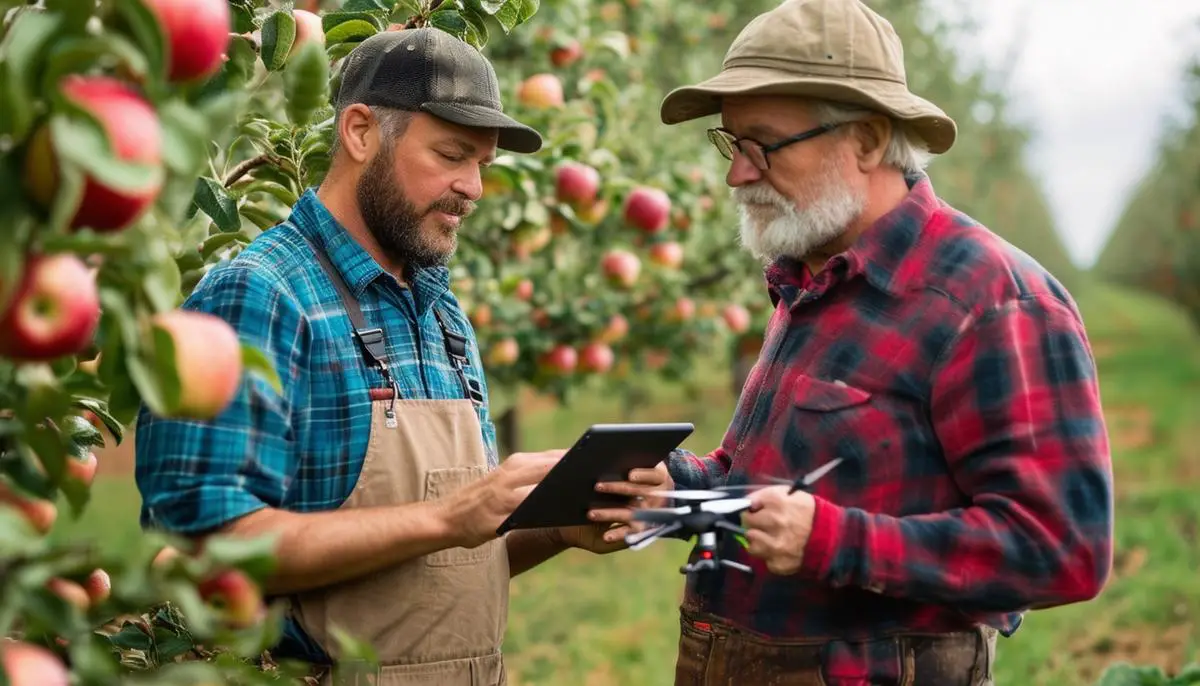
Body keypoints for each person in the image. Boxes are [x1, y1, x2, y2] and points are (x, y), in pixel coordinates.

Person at [133, 28, 662, 685]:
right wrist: (448, 515)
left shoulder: (441, 314)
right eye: (451, 155)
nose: (472, 188)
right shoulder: (261, 296)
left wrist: (553, 527)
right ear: (360, 132)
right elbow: (206, 550)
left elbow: (446, 556)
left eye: (484, 166)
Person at [642, 0, 1115, 683]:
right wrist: (676, 487)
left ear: (864, 140)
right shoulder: (812, 278)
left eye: (763, 146)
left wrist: (836, 541)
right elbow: (775, 484)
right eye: (731, 144)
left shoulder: (988, 301)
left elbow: (1061, 549)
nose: (736, 175)